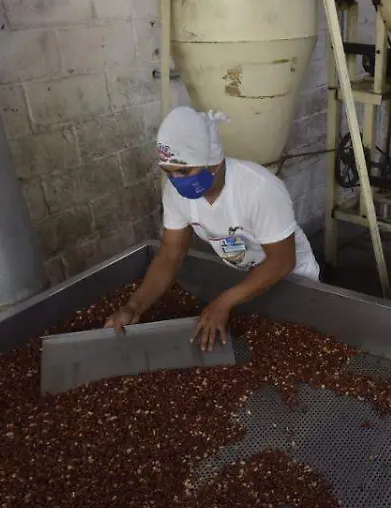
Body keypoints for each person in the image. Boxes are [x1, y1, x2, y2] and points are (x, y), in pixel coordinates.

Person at [105, 106, 320, 349]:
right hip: (246, 280)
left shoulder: (258, 189)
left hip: (293, 281)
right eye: (169, 172)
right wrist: (135, 306)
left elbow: (281, 261)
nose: (177, 181)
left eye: (185, 171)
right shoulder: (176, 194)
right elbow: (170, 253)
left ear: (212, 162)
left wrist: (222, 303)